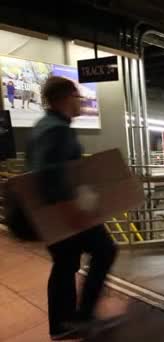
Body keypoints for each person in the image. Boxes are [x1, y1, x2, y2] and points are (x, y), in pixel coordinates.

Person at [25, 76, 118, 340]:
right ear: (66, 98)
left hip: (50, 214)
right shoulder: (57, 130)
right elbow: (47, 174)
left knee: (65, 264)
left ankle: (63, 325)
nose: (81, 102)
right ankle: (83, 315)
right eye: (78, 97)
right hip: (64, 213)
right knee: (105, 250)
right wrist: (71, 210)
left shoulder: (44, 126)